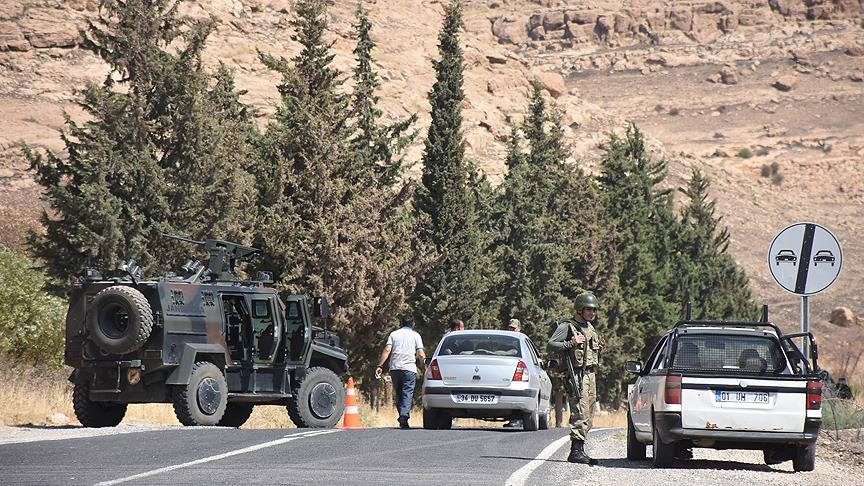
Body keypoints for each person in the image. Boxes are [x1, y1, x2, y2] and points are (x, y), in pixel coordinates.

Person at [548, 291, 606, 465]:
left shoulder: (590, 328)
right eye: (588, 309)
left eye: (594, 310)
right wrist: (571, 343)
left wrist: (599, 349)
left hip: (590, 374)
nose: (592, 313)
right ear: (579, 309)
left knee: (589, 413)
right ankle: (575, 451)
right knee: (579, 412)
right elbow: (551, 345)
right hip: (577, 375)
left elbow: (588, 352)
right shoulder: (568, 327)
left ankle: (580, 449)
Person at [376, 314, 426, 429]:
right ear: (413, 324)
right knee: (407, 393)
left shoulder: (394, 334)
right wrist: (424, 366)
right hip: (409, 368)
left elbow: (387, 349)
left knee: (398, 393)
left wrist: (380, 365)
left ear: (401, 323)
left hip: (395, 368)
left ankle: (402, 415)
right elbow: (420, 353)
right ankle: (404, 416)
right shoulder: (415, 335)